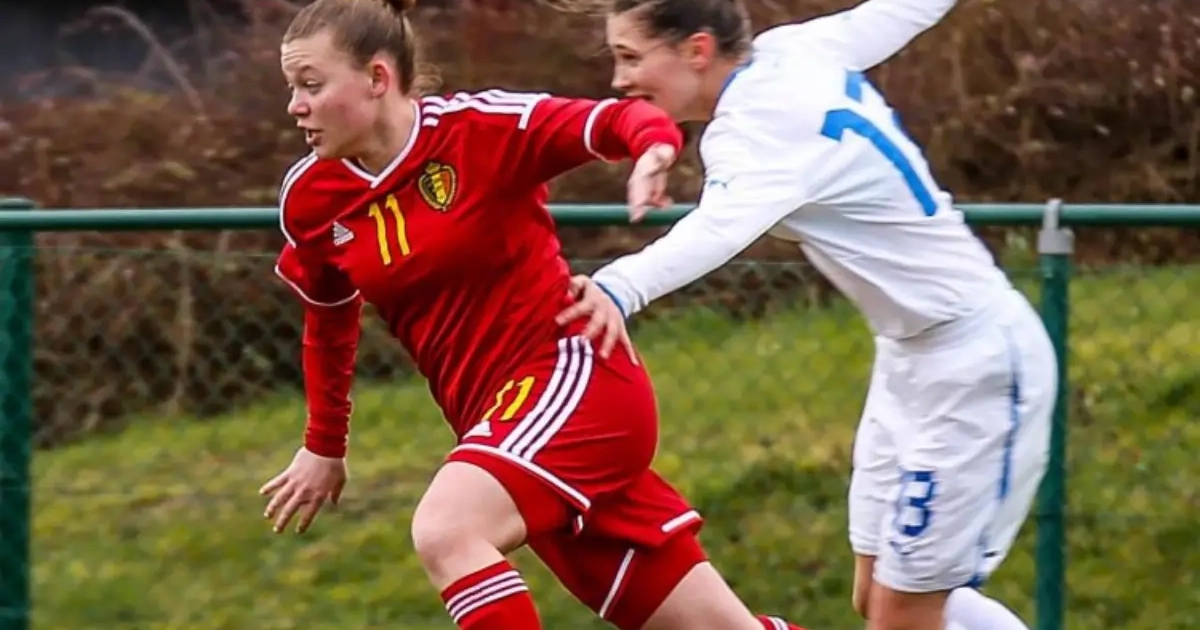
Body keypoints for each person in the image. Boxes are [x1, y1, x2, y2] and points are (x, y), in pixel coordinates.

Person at [256, 1, 807, 629]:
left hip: (571, 379)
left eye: (311, 84)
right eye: (292, 88)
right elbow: (329, 322)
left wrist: (654, 150)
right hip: (499, 425)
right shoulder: (311, 198)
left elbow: (617, 120)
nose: (295, 106)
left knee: (448, 530)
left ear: (378, 78)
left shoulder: (479, 129)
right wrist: (324, 446)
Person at [550, 1, 1058, 630]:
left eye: (630, 57)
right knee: (876, 593)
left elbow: (720, 226)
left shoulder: (757, 125)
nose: (619, 79)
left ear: (697, 50)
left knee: (904, 610)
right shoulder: (791, 51)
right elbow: (900, 12)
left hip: (975, 363)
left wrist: (619, 286)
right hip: (911, 358)